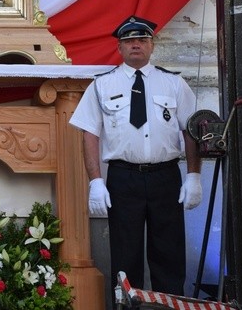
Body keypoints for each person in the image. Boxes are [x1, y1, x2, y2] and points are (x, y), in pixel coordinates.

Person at [69, 15, 202, 296]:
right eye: (129, 41)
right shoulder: (101, 85)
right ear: (119, 48)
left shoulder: (174, 84)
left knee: (169, 253)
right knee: (125, 255)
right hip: (123, 177)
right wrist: (96, 181)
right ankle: (127, 305)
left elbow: (192, 130)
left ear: (152, 45)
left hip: (165, 177)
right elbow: (89, 133)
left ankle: (170, 304)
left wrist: (193, 175)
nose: (136, 45)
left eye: (142, 39)